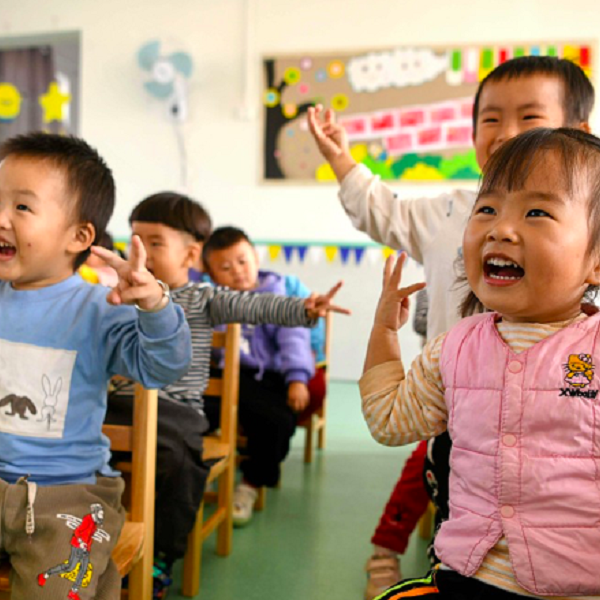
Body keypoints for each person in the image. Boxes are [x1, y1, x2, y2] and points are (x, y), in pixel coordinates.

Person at [308, 55, 595, 598]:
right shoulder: (449, 213)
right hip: (455, 408)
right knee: (455, 510)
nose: (506, 133)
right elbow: (381, 209)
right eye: (490, 118)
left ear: (576, 131)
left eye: (528, 118)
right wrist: (343, 161)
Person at [361, 127, 600, 598]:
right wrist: (384, 332)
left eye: (536, 212)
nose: (500, 229)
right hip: (468, 574)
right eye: (487, 208)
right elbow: (388, 419)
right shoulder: (453, 348)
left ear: (596, 261)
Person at [105, 192, 347, 599]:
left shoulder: (203, 297)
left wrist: (305, 309)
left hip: (175, 410)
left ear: (191, 255)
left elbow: (257, 306)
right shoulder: (119, 294)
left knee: (183, 462)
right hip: (118, 403)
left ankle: (162, 555)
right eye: (135, 240)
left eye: (155, 243)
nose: (140, 252)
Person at [0, 132, 192, 600]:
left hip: (67, 495)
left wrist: (154, 305)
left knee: (61, 586)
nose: (1, 218)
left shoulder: (101, 308)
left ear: (79, 236)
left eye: (22, 208)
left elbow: (164, 367)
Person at [202, 226, 320, 526]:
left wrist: (296, 379)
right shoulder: (212, 298)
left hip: (264, 378)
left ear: (256, 257)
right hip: (221, 375)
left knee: (278, 422)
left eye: (242, 261)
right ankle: (198, 472)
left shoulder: (276, 294)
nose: (237, 272)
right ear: (212, 275)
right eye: (225, 268)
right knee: (192, 413)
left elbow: (294, 339)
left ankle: (250, 485)